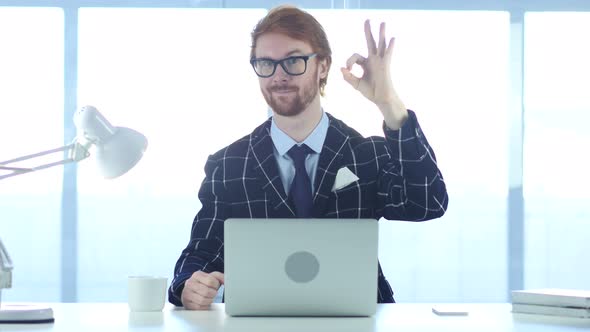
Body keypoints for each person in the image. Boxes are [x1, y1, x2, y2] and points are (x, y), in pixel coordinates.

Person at [169, 5, 448, 310]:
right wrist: (187, 285)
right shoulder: (229, 164)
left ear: (323, 66)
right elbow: (202, 250)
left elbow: (427, 202)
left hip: (357, 318)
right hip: (260, 321)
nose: (279, 75)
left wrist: (388, 102)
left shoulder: (367, 154)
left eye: (293, 61)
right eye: (266, 63)